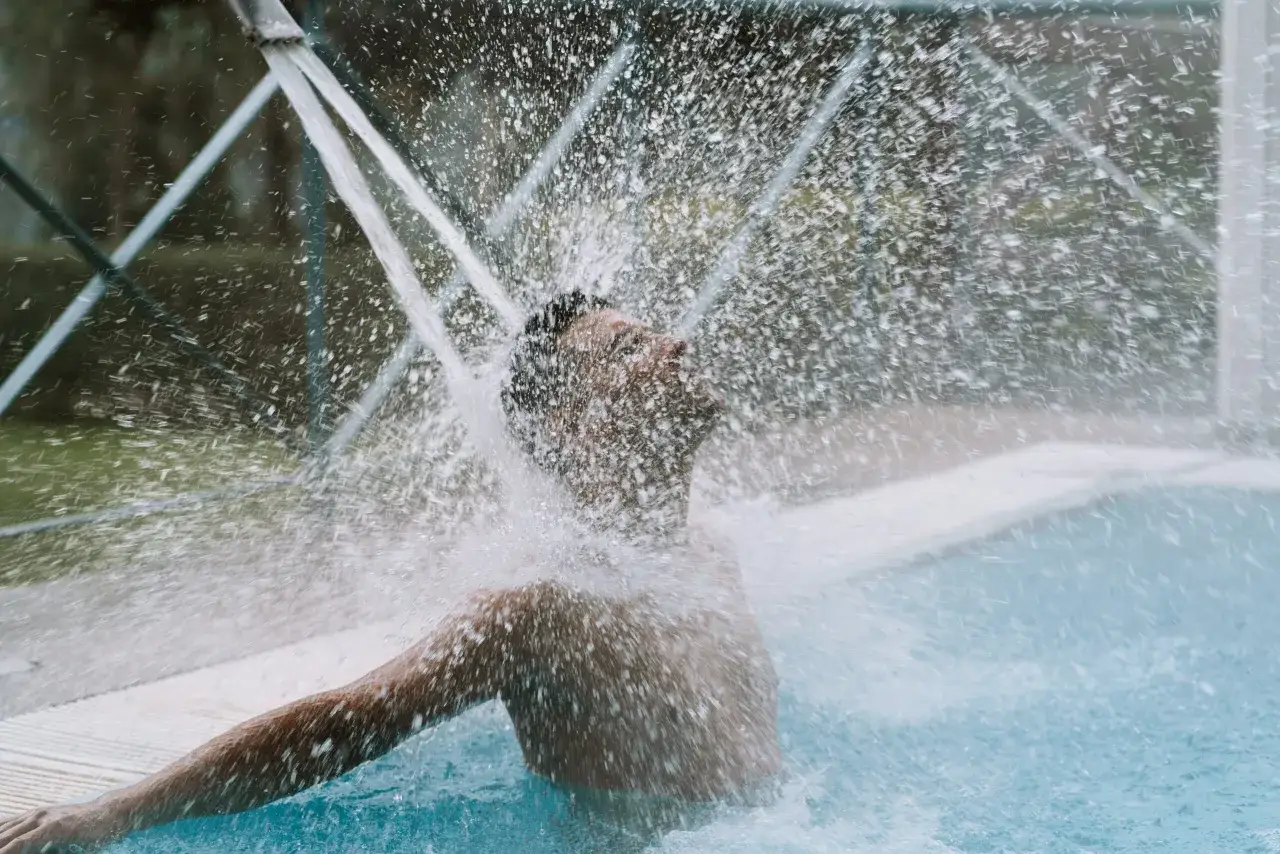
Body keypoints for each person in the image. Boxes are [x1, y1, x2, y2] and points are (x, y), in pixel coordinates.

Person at [0, 291, 783, 853]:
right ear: (574, 429)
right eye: (628, 348)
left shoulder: (708, 555)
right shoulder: (547, 607)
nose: (675, 344)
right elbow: (346, 720)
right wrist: (111, 817)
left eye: (648, 333)